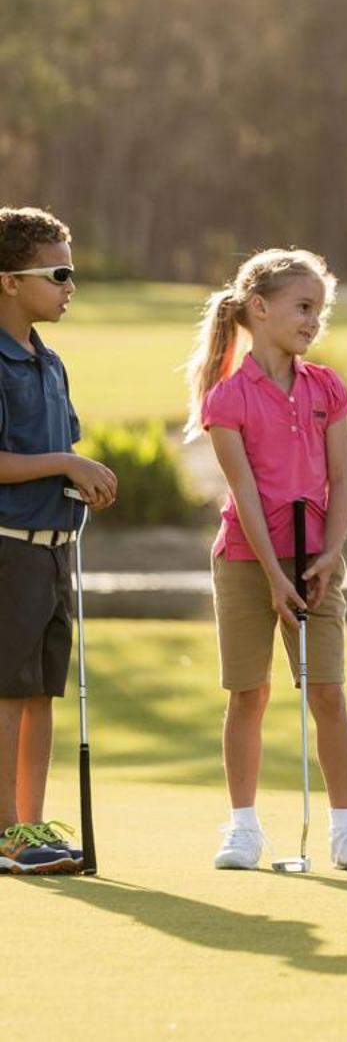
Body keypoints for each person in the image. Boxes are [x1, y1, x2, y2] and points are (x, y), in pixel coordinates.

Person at [184, 247, 347, 872]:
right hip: (249, 562)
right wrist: (275, 578)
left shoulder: (327, 388)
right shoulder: (228, 398)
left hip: (316, 561)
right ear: (260, 307)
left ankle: (346, 831)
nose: (312, 321)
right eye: (303, 307)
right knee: (249, 694)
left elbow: (343, 483)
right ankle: (243, 829)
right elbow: (243, 493)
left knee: (327, 691)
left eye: (319, 311)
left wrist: (329, 556)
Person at [0, 207, 118, 875]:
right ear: (11, 281)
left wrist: (82, 476)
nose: (71, 285)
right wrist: (65, 464)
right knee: (5, 691)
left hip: (52, 546)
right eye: (59, 273)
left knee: (41, 688)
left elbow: (56, 446)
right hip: (7, 544)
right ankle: (4, 832)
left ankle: (29, 825)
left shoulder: (49, 361)